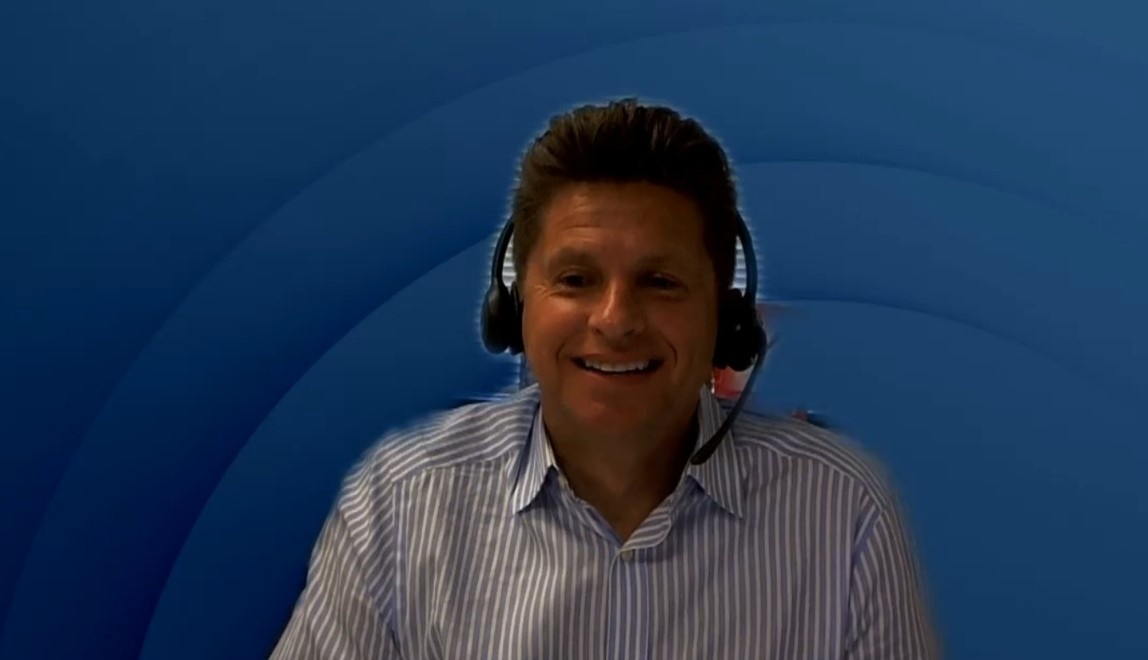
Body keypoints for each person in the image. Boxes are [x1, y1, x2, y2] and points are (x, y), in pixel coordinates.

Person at [270, 98, 940, 659]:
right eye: (575, 280)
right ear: (516, 304)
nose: (616, 320)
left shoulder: (843, 509)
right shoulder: (400, 504)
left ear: (724, 315)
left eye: (660, 281)